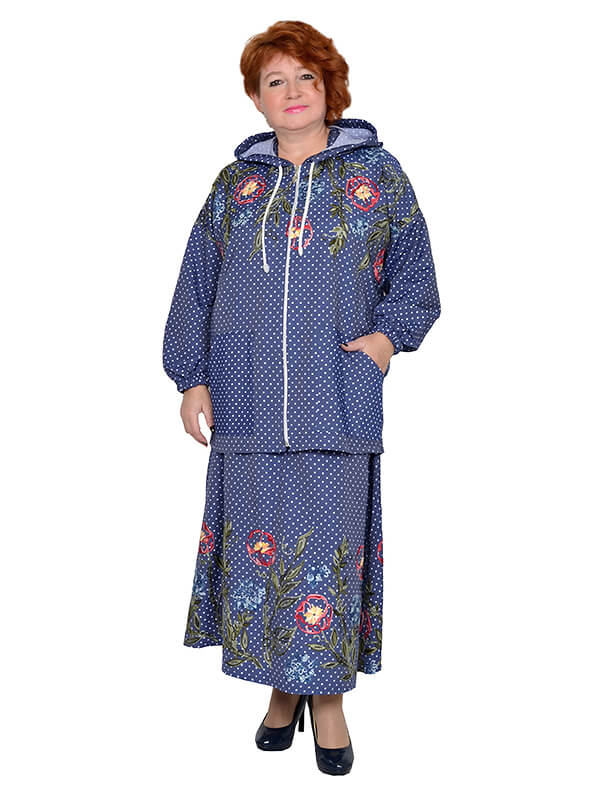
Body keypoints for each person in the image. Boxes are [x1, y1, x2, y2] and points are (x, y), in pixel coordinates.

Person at [162, 20, 441, 775]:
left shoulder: (377, 176)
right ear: (256, 98)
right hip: (246, 405)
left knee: (324, 559)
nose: (292, 92)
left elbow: (415, 277)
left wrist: (385, 342)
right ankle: (281, 693)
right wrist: (191, 376)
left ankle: (329, 704)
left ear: (330, 88)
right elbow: (196, 284)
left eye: (305, 77)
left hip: (336, 406)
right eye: (275, 81)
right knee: (264, 556)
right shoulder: (234, 188)